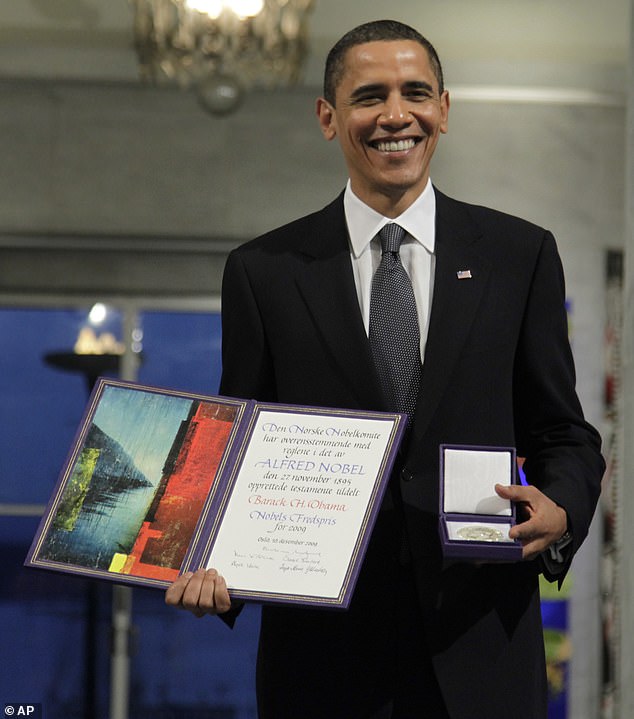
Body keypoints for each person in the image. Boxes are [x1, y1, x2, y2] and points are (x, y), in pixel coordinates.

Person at [165, 19, 605, 718]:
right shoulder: (264, 272)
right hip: (319, 662)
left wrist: (562, 506)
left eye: (416, 94)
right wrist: (210, 561)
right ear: (327, 117)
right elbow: (237, 447)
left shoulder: (519, 256)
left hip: (481, 650)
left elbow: (566, 433)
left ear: (445, 110)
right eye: (370, 96)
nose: (396, 116)